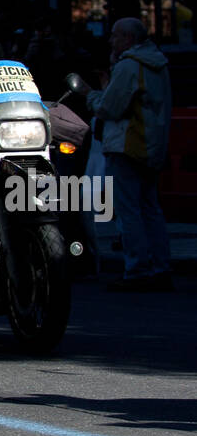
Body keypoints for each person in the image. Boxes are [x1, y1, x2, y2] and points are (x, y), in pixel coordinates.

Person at [71, 18, 173, 292]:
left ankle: (136, 269)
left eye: (115, 36)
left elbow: (109, 107)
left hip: (126, 146)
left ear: (128, 38)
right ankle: (160, 267)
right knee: (150, 208)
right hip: (151, 145)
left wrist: (91, 95)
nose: (110, 41)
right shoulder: (157, 63)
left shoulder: (129, 65)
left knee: (129, 211)